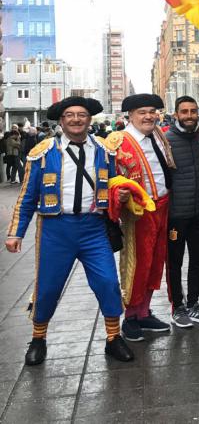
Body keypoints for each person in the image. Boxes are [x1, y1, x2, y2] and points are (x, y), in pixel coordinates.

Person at [5, 96, 134, 365]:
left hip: (93, 228)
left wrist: (119, 195)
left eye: (82, 115)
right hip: (56, 229)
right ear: (61, 121)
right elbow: (27, 196)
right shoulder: (43, 152)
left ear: (89, 120)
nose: (76, 119)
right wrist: (16, 232)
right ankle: (38, 338)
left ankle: (113, 338)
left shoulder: (103, 150)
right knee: (48, 286)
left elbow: (113, 184)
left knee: (108, 283)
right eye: (70, 115)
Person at [104, 93, 175, 342]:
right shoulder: (116, 141)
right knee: (138, 263)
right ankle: (131, 316)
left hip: (163, 206)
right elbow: (105, 178)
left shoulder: (158, 135)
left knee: (156, 261)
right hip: (138, 212)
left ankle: (144, 311)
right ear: (130, 116)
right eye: (142, 112)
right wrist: (118, 194)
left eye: (152, 111)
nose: (148, 116)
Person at [165, 96, 199, 328]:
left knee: (198, 260)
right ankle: (178, 307)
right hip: (176, 214)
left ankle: (193, 304)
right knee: (174, 262)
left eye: (193, 111)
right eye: (184, 111)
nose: (189, 115)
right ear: (176, 115)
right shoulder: (166, 140)